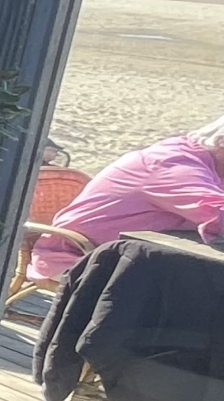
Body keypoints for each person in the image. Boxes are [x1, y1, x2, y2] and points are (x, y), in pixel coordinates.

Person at [26, 118, 224, 281]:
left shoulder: (201, 160)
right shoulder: (173, 164)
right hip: (79, 258)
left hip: (130, 259)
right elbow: (217, 213)